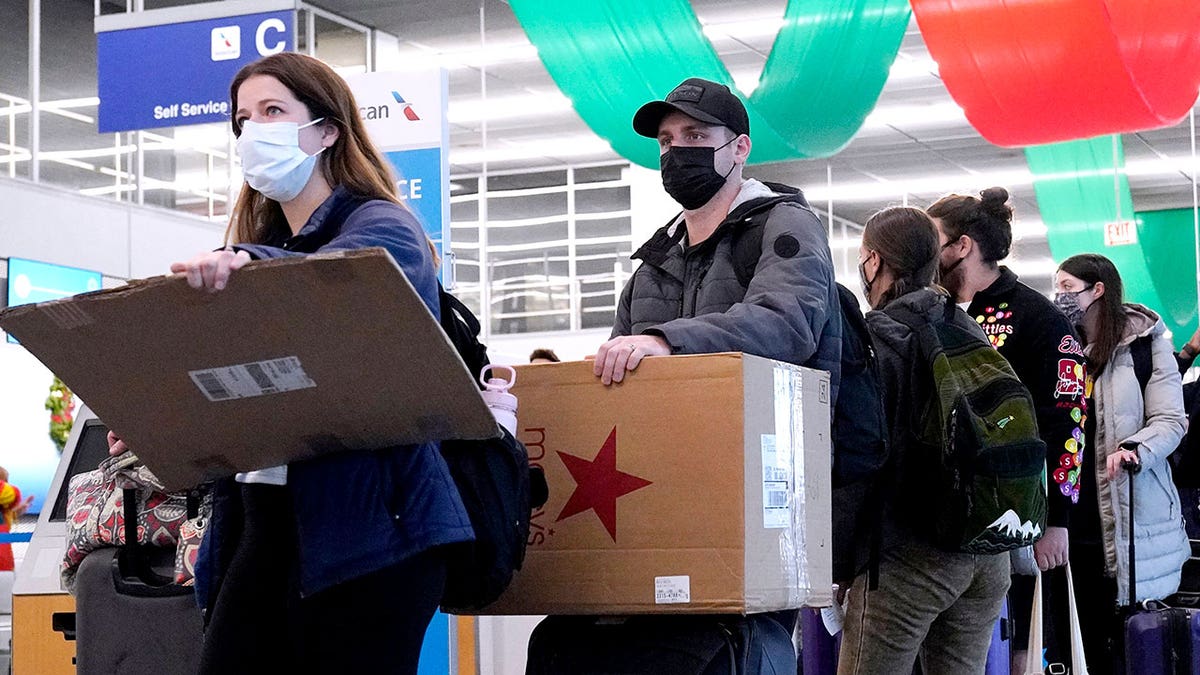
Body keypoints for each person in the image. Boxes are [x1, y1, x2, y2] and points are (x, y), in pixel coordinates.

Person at [165, 52, 471, 674]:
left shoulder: (384, 227)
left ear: (327, 130)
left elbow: (345, 284)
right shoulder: (263, 248)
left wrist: (248, 263)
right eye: (243, 118)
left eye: (274, 111)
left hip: (371, 533)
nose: (254, 130)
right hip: (264, 521)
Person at [577, 77, 840, 667]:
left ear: (739, 149)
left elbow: (788, 322)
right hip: (663, 493)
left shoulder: (783, 227)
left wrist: (667, 342)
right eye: (667, 141)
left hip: (765, 493)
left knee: (739, 646)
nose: (676, 152)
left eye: (696, 135)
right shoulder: (653, 264)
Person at [838, 206, 1010, 675]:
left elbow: (862, 453)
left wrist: (842, 560)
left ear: (873, 261)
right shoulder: (967, 325)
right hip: (986, 552)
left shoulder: (880, 337)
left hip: (912, 552)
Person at [928, 188, 1087, 673]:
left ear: (962, 245)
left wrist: (1057, 519)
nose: (924, 250)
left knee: (1021, 639)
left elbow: (1070, 418)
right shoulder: (929, 312)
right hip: (938, 518)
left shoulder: (1040, 319)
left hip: (1015, 513)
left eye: (933, 238)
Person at [1053, 253, 1189, 673]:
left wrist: (1135, 446)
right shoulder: (1060, 346)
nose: (1060, 298)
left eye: (1068, 289)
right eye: (1056, 289)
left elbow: (1171, 420)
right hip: (1069, 521)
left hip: (1131, 512)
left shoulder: (1147, 345)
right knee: (1077, 644)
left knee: (1133, 644)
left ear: (1098, 291)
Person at [0, 467, 33, 572]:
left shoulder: (3, 511)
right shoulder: (6, 492)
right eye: (4, 482)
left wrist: (15, 512)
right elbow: (12, 494)